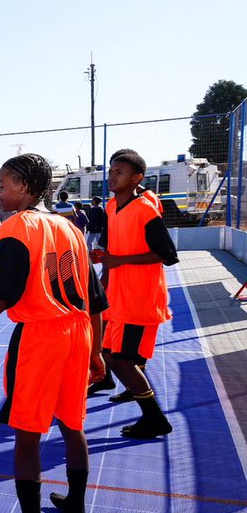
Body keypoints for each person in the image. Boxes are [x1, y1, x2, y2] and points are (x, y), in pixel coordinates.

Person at [0, 153, 107, 513]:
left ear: (24, 187)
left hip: (41, 335)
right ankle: (75, 504)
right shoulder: (69, 227)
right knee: (72, 423)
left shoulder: (18, 226)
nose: (0, 192)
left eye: (4, 185)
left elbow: (6, 289)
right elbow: (93, 298)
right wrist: (96, 351)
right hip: (77, 333)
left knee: (27, 432)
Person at [88, 148, 178, 439]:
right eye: (111, 172)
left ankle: (154, 418)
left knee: (123, 360)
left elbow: (166, 254)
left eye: (120, 172)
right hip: (118, 296)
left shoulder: (145, 210)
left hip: (140, 298)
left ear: (137, 178)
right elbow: (118, 247)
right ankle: (132, 393)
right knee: (109, 354)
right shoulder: (113, 207)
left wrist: (120, 261)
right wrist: (105, 262)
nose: (113, 177)